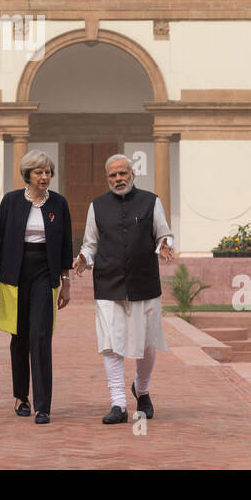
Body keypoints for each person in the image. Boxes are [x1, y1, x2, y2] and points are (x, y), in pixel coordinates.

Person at [72, 154, 176, 424]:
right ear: (107, 179)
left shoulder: (151, 201)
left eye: (123, 173)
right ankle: (118, 403)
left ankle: (141, 391)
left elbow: (163, 232)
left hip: (145, 283)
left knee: (148, 345)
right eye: (112, 175)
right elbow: (90, 243)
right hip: (108, 283)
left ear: (132, 174)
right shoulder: (97, 206)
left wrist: (165, 243)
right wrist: (84, 258)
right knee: (110, 344)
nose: (118, 179)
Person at [0, 150, 73, 424]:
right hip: (15, 273)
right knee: (19, 336)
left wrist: (65, 283)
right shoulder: (11, 201)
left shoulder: (58, 203)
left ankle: (43, 405)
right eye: (39, 172)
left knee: (41, 336)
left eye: (47, 172)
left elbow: (66, 245)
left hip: (44, 273)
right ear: (28, 175)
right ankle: (21, 395)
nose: (44, 177)